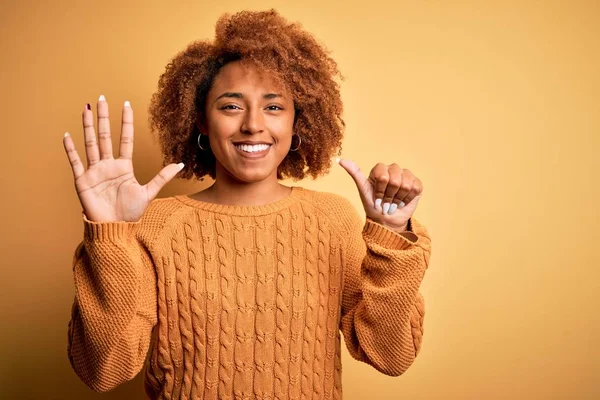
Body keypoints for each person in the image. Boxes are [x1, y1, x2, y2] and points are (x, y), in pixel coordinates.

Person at [62, 9, 431, 400]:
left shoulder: (332, 219)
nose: (253, 124)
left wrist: (390, 236)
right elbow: (100, 371)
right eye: (231, 106)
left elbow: (392, 356)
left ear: (296, 122)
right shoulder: (157, 224)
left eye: (274, 106)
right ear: (201, 121)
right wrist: (108, 235)